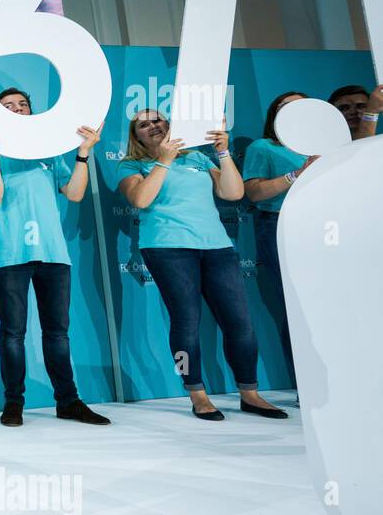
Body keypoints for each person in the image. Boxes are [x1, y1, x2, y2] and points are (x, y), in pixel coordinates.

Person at [117, 110, 288, 421]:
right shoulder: (131, 165)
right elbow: (141, 200)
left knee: (240, 323)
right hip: (167, 249)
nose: (153, 126)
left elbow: (233, 193)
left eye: (158, 120)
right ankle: (196, 393)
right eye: (144, 124)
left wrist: (222, 152)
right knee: (185, 323)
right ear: (136, 136)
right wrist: (164, 161)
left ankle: (250, 393)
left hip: (217, 247)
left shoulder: (197, 158)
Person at [0, 88, 111, 427]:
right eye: (9, 106)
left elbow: (75, 193)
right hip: (10, 255)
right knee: (13, 333)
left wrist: (82, 153)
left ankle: (68, 402)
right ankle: (13, 403)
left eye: (23, 105)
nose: (17, 109)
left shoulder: (48, 150)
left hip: (53, 254)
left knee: (58, 333)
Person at [241, 91, 317, 388]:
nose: (293, 112)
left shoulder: (326, 145)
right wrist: (297, 174)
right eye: (284, 108)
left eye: (300, 106)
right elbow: (255, 193)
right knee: (298, 310)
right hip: (280, 225)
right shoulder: (264, 147)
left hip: (324, 228)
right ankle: (307, 387)